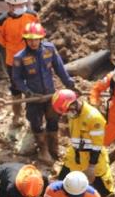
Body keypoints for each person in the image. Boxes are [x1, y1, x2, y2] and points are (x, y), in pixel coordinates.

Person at [11, 22, 75, 165]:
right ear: (25, 40)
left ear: (41, 38)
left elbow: (59, 68)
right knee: (36, 123)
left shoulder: (49, 49)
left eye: (36, 39)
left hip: (50, 95)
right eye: (29, 39)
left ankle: (54, 147)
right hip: (34, 98)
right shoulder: (19, 57)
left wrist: (69, 83)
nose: (33, 42)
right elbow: (17, 79)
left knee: (53, 120)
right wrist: (27, 92)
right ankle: (43, 150)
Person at [52, 89, 115, 197]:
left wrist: (92, 166)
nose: (67, 114)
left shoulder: (93, 118)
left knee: (105, 190)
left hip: (94, 158)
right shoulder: (74, 113)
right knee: (61, 183)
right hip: (75, 157)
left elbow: (97, 145)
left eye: (68, 110)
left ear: (74, 102)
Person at [0, 0, 39, 126]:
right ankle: (17, 114)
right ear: (9, 5)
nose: (21, 7)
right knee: (16, 86)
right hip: (13, 59)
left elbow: (37, 32)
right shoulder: (1, 22)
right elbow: (0, 39)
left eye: (22, 4)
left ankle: (33, 114)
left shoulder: (32, 16)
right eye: (17, 5)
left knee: (33, 85)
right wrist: (12, 47)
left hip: (31, 57)